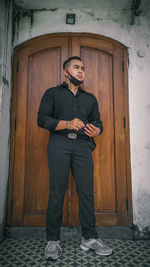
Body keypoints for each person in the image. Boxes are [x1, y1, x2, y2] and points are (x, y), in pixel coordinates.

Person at [37, 56, 112, 260]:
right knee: (56, 192)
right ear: (65, 71)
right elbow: (42, 119)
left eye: (83, 68)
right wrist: (67, 124)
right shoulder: (52, 93)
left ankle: (89, 238)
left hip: (82, 146)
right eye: (76, 67)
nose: (81, 71)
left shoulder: (90, 99)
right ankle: (52, 240)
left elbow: (98, 122)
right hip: (58, 144)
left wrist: (97, 130)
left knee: (86, 192)